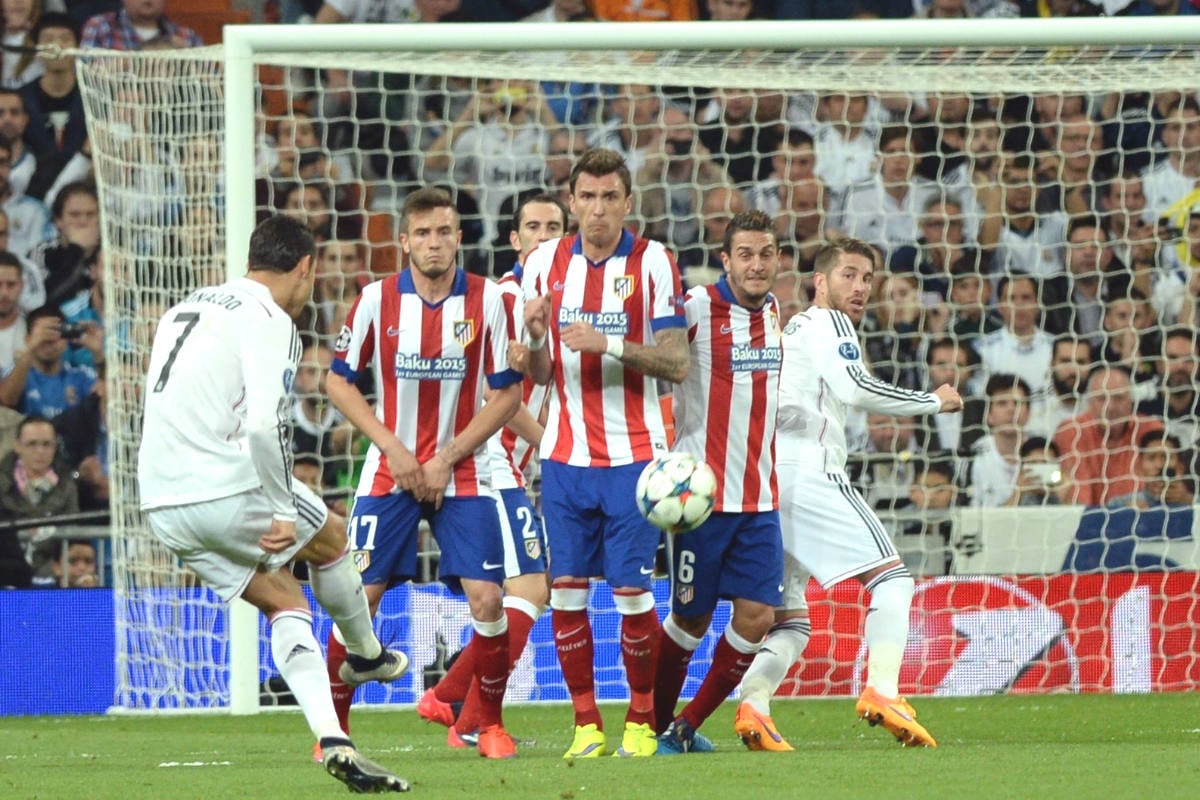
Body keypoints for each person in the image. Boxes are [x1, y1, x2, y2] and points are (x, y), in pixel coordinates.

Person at [136, 215, 409, 793]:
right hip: (224, 484)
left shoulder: (186, 306)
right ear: (304, 268)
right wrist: (284, 507)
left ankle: (334, 739)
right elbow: (264, 426)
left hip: (161, 501)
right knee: (331, 537)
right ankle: (364, 653)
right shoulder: (271, 320)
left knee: (284, 598)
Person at [735, 237, 962, 751]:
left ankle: (754, 703)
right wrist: (933, 401)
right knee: (893, 579)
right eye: (848, 275)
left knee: (791, 619)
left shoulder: (791, 329)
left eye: (867, 278)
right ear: (821, 282)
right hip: (810, 473)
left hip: (771, 481)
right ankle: (884, 690)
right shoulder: (829, 324)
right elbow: (855, 387)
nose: (859, 288)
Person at [324, 187, 523, 760]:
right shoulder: (373, 301)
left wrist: (445, 457)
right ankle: (333, 732)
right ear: (404, 240)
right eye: (424, 233)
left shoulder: (488, 302)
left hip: (462, 473)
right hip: (390, 471)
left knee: (487, 599)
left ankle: (488, 724)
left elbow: (507, 395)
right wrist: (394, 448)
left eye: (445, 232)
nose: (435, 243)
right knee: (358, 598)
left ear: (459, 237)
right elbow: (338, 380)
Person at [522, 147, 689, 759]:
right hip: (564, 459)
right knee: (565, 593)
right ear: (571, 203)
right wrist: (535, 338)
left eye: (608, 197)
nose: (596, 210)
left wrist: (609, 342)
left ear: (627, 202)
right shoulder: (544, 262)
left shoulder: (654, 264)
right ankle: (587, 726)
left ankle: (641, 722)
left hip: (635, 460)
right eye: (586, 198)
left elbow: (677, 362)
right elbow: (538, 373)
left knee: (631, 595)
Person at [416, 192, 565, 748]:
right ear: (513, 238)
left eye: (554, 225)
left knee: (530, 589)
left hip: (517, 467)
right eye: (533, 225)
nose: (545, 234)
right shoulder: (501, 297)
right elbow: (503, 395)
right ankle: (467, 711)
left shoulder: (567, 295)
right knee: (529, 587)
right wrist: (557, 446)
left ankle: (454, 701)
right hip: (489, 463)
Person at [650, 209, 784, 754]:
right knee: (691, 617)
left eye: (766, 253)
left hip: (761, 497)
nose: (757, 265)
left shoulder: (776, 311)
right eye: (745, 255)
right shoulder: (697, 307)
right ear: (725, 260)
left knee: (758, 616)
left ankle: (686, 725)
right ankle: (653, 727)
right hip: (699, 499)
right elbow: (660, 358)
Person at [0, 413, 80, 589]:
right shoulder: (1, 483)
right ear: (17, 446)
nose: (40, 451)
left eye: (46, 444)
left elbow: (73, 530)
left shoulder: (67, 486)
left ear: (55, 447)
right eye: (32, 444)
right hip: (7, 575)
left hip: (54, 575)